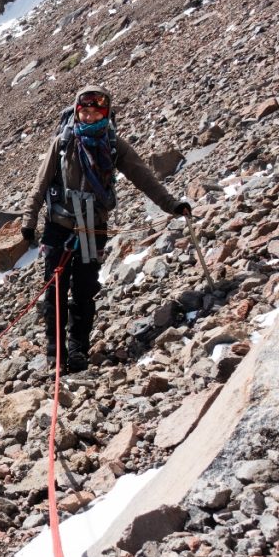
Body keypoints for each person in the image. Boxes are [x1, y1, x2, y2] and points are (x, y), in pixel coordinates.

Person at [21, 85, 190, 373]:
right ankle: (55, 353)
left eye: (93, 112)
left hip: (93, 228)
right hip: (58, 226)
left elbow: (143, 177)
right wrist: (29, 219)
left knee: (85, 290)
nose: (87, 117)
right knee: (55, 290)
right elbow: (41, 182)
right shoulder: (63, 142)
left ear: (105, 114)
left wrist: (171, 205)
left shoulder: (114, 145)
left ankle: (77, 351)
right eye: (83, 112)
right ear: (77, 111)